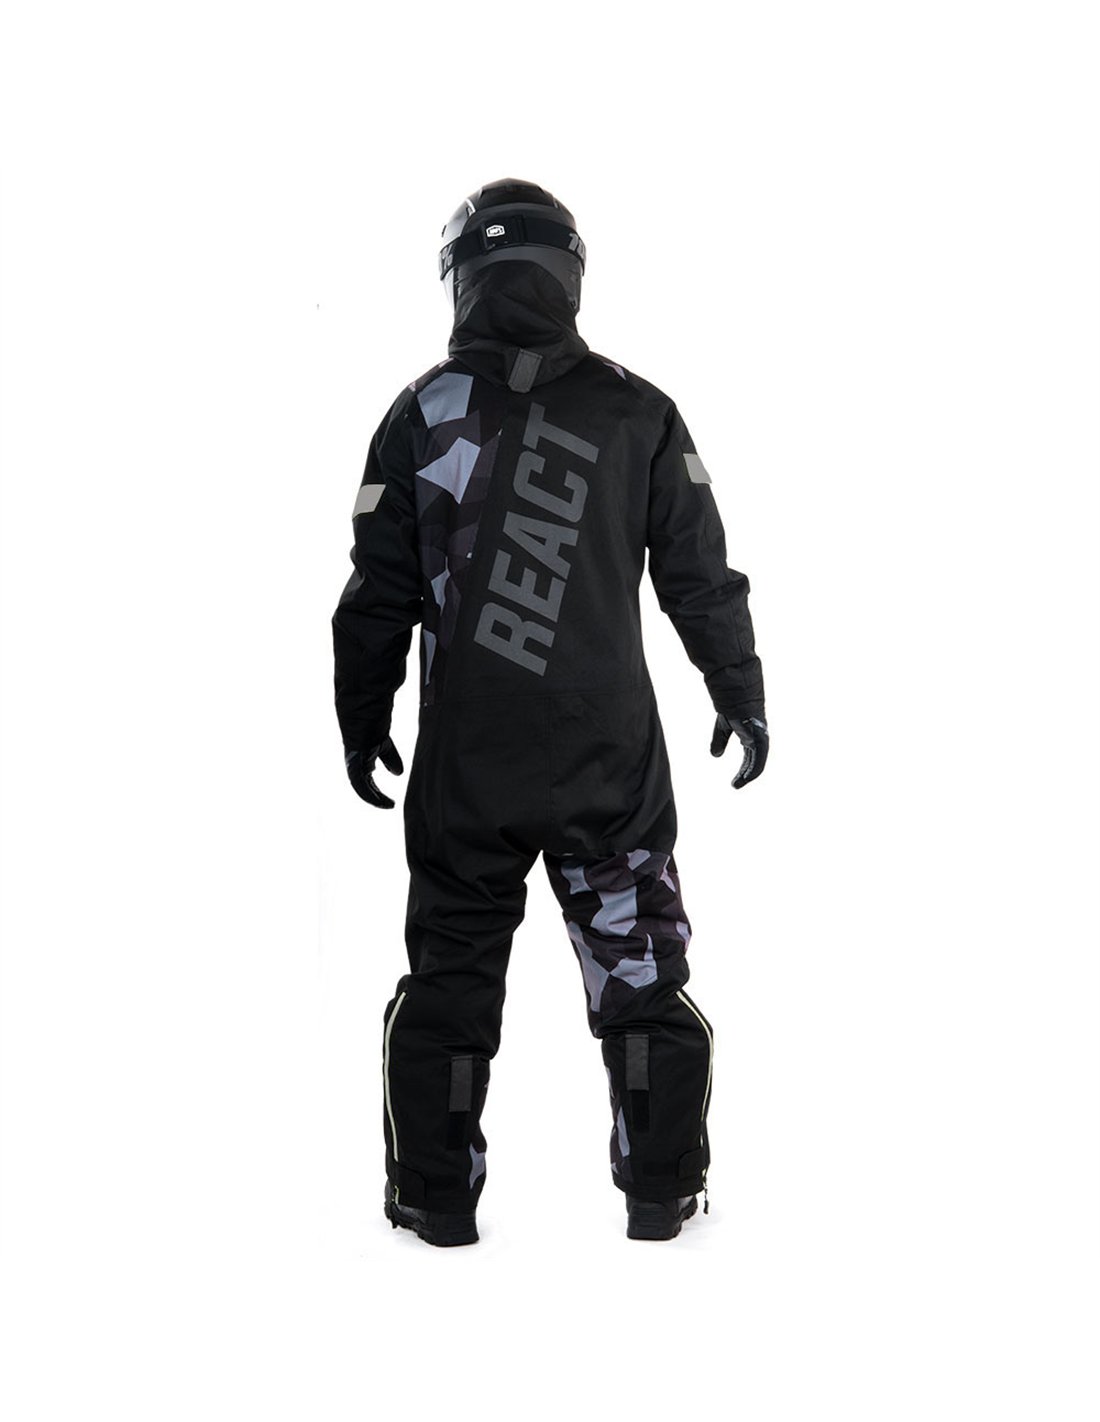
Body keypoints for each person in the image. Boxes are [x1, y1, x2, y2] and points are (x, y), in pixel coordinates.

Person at [332, 178, 768, 1247]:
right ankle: (661, 1198)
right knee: (641, 984)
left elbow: (374, 593)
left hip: (467, 767)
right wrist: (738, 690)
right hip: (606, 764)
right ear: (569, 272)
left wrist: (361, 712)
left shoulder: (421, 412)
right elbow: (701, 575)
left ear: (460, 277)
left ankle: (434, 1205)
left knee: (449, 985)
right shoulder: (637, 410)